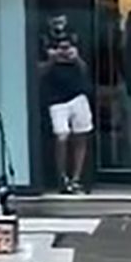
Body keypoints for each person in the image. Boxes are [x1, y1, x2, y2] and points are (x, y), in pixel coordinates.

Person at [41, 35, 93, 194]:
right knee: (61, 137)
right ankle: (61, 177)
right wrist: (52, 60)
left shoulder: (76, 55)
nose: (63, 51)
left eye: (66, 48)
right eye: (60, 48)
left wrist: (76, 58)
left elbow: (86, 71)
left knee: (81, 136)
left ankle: (76, 178)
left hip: (78, 97)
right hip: (56, 101)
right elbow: (38, 73)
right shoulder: (46, 53)